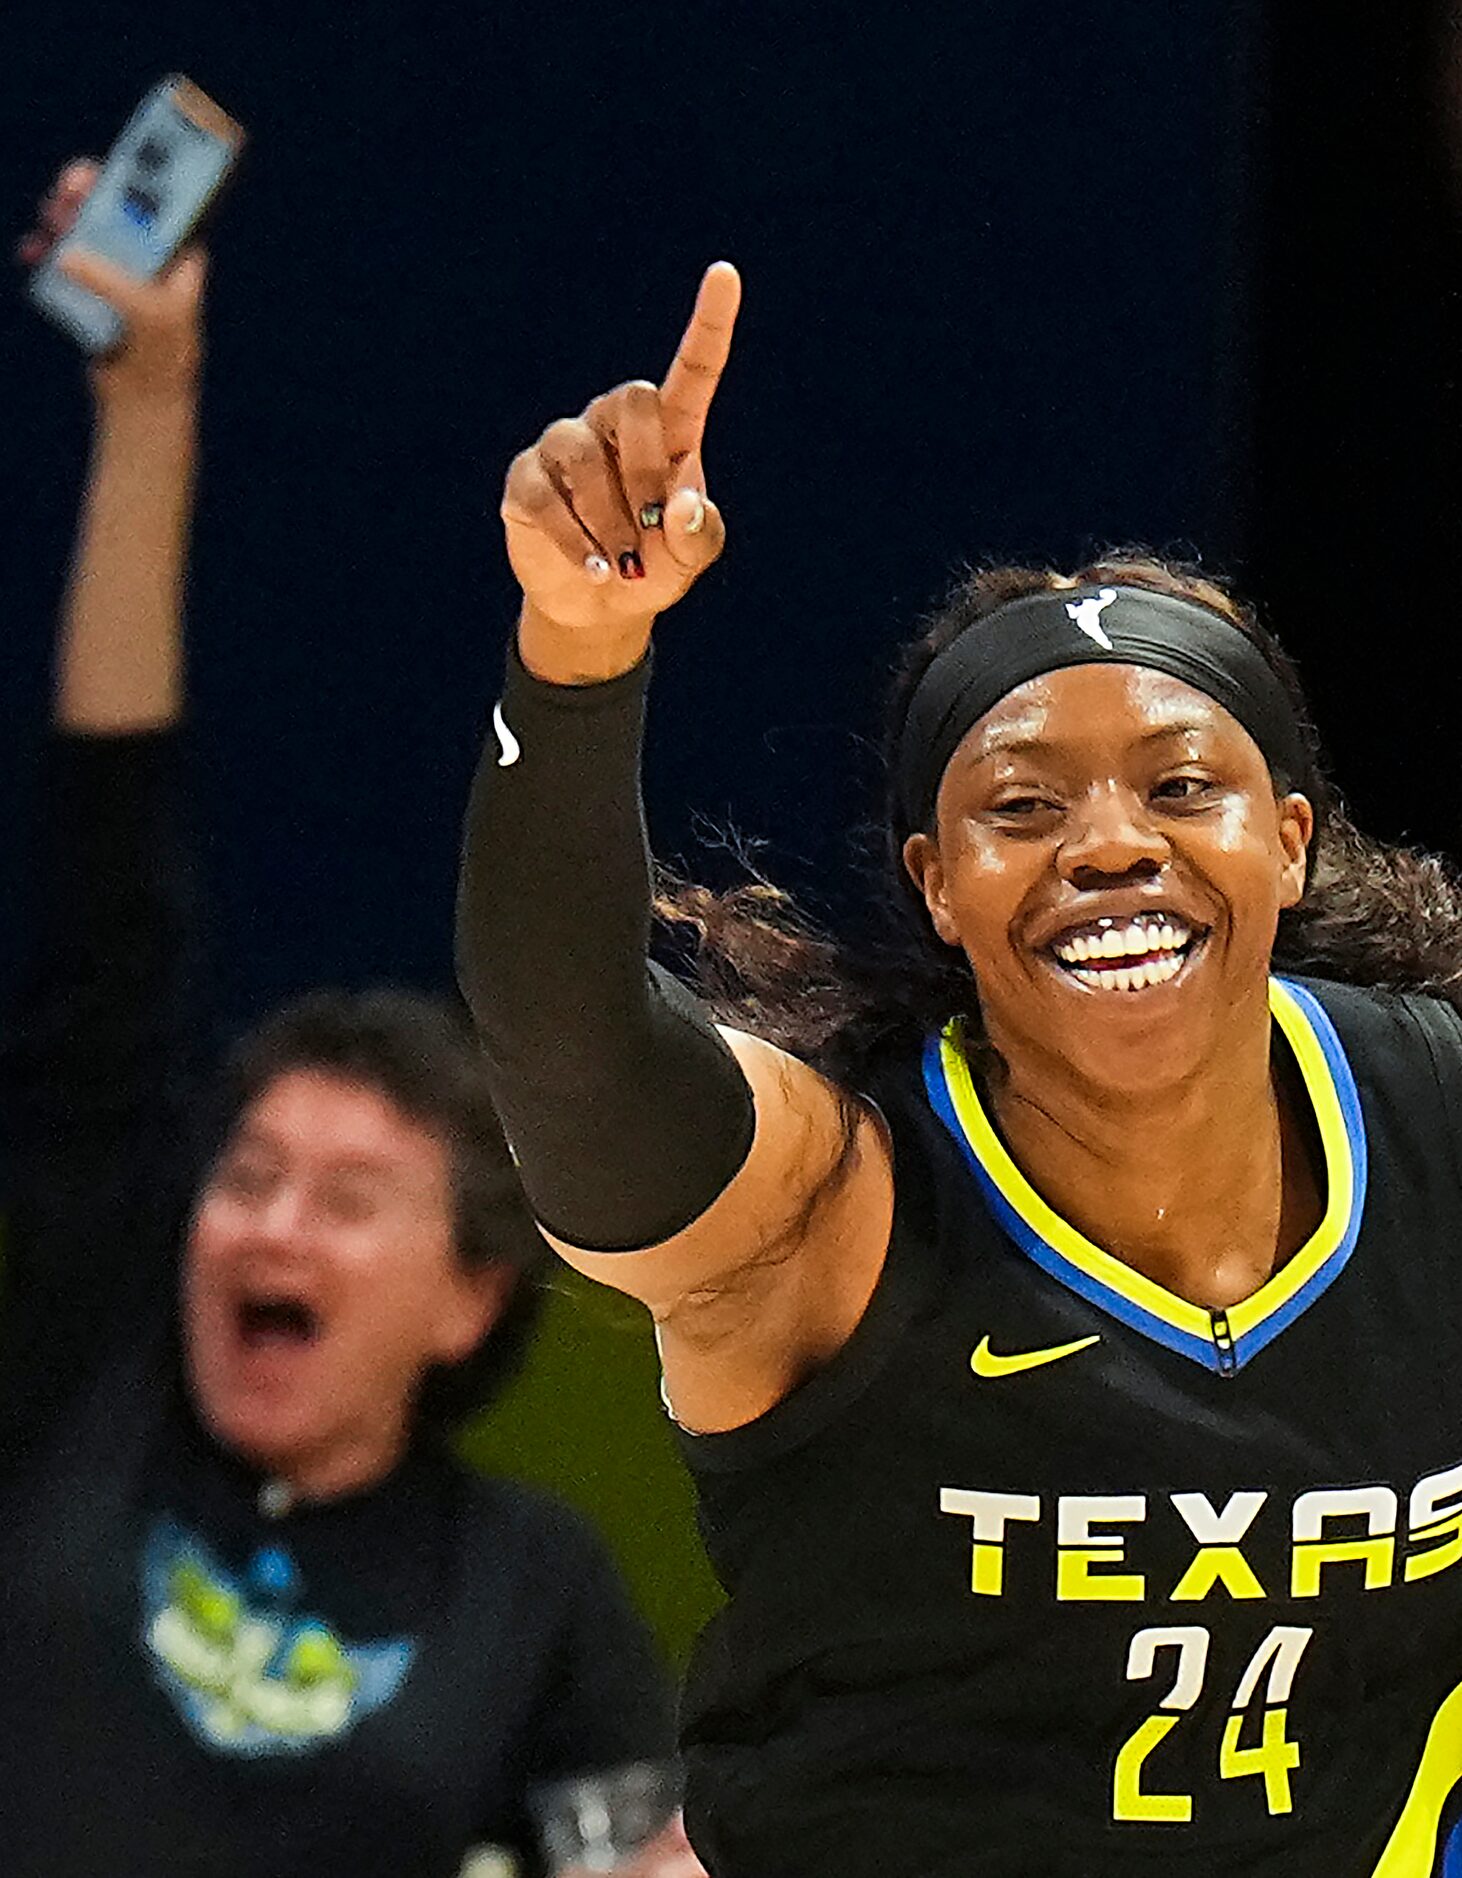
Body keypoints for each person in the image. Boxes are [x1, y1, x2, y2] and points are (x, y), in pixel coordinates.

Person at [456, 260, 1462, 1876]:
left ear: (1285, 843)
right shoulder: (837, 1204)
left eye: (1181, 784)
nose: (1109, 846)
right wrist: (575, 655)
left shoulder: (1435, 1128)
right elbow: (570, 1066)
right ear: (936, 883)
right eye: (1022, 805)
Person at [0, 163, 698, 1878]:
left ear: (469, 1296)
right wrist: (150, 402)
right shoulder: (79, 1389)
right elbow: (115, 866)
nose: (270, 1223)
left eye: (346, 1196)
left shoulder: (536, 1593)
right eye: (248, 1173)